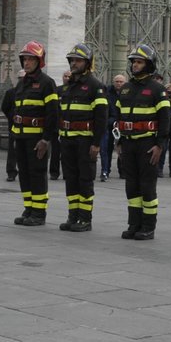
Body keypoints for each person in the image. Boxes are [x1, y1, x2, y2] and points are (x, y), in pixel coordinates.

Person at [114, 43, 170, 239]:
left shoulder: (158, 89)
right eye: (134, 62)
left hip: (148, 144)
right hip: (128, 143)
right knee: (131, 185)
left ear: (149, 64)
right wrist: (119, 142)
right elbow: (119, 116)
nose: (135, 65)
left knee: (147, 186)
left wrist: (159, 145)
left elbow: (165, 120)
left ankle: (148, 226)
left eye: (139, 62)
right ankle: (133, 224)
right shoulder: (126, 88)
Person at [56, 43, 107, 232]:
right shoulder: (68, 87)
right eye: (72, 60)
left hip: (85, 141)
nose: (74, 63)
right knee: (70, 178)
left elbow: (101, 118)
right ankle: (73, 216)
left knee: (85, 179)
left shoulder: (95, 86)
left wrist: (96, 144)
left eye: (78, 60)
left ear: (87, 63)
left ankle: (85, 218)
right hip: (68, 140)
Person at [8, 41, 58, 225]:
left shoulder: (47, 83)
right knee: (25, 174)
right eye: (25, 59)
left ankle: (39, 212)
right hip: (20, 137)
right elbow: (15, 111)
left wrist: (46, 139)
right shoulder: (22, 84)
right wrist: (15, 136)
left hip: (37, 139)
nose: (27, 63)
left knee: (37, 174)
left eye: (31, 59)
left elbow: (53, 114)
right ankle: (28, 208)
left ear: (39, 61)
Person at [101, 73, 126, 181]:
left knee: (122, 149)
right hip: (109, 124)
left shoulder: (127, 93)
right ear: (113, 82)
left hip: (123, 124)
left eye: (121, 82)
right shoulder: (107, 92)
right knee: (106, 149)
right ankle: (106, 170)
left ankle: (123, 172)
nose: (119, 83)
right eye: (117, 81)